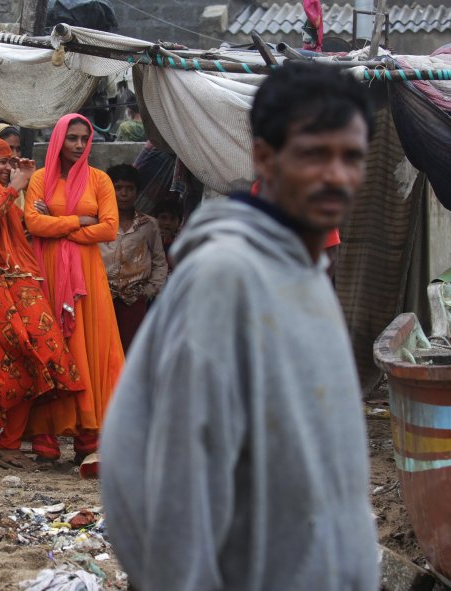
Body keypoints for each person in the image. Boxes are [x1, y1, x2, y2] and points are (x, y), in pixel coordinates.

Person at [100, 62, 378, 590]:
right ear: (264, 158)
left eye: (351, 157)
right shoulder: (226, 278)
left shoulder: (306, 273)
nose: (336, 175)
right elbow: (169, 484)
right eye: (314, 154)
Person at [0, 136, 84, 469]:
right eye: (2, 161)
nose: (9, 167)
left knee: (31, 359)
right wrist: (14, 187)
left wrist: (34, 204)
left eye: (11, 161)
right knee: (6, 362)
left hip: (20, 281)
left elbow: (19, 228)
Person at [23, 113, 125, 464]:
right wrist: (79, 221)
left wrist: (59, 224)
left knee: (89, 346)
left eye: (84, 138)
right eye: (72, 138)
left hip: (87, 277)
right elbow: (33, 222)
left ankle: (87, 430)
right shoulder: (39, 179)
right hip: (48, 271)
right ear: (58, 140)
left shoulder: (100, 180)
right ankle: (45, 430)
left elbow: (109, 228)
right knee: (52, 346)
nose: (79, 145)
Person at [98, 164, 167, 352]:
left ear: (137, 191)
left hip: (135, 298)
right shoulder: (98, 223)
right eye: (118, 188)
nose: (124, 194)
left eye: (130, 188)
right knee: (104, 349)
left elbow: (159, 262)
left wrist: (151, 289)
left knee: (133, 348)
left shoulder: (148, 225)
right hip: (102, 296)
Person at [150, 198, 183, 272]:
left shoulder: (181, 246)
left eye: (172, 219)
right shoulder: (145, 240)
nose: (167, 223)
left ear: (179, 223)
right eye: (163, 218)